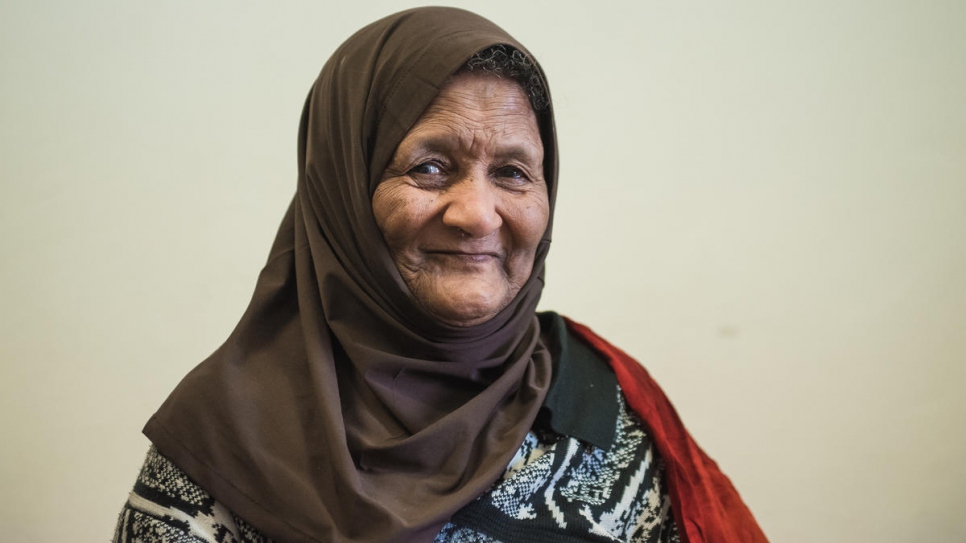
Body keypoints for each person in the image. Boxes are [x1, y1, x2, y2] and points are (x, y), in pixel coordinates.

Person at [114, 7, 767, 543]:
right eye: (429, 166)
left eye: (512, 172)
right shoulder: (222, 450)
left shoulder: (604, 404)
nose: (478, 214)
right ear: (341, 190)